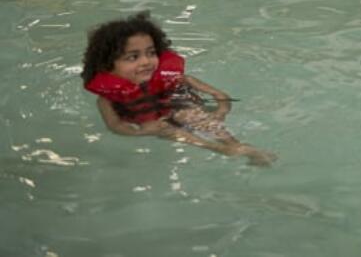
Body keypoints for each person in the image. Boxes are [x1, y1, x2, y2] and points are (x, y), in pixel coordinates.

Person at [81, 11, 275, 165]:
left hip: (180, 106)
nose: (146, 62)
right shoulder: (107, 98)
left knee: (188, 114)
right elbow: (115, 126)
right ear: (107, 65)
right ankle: (219, 149)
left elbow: (218, 94)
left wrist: (221, 110)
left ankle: (236, 146)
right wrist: (142, 132)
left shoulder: (172, 78)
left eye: (151, 53)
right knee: (166, 129)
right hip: (156, 123)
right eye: (133, 57)